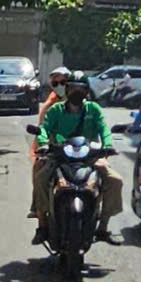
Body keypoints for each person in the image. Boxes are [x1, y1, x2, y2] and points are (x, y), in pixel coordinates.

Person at [31, 71, 123, 241]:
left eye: (80, 89)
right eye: (73, 88)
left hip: (90, 157)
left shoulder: (93, 109)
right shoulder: (56, 110)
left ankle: (103, 227)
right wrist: (43, 143)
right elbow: (44, 128)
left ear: (86, 91)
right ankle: (42, 224)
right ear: (67, 90)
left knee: (115, 180)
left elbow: (104, 128)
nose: (76, 92)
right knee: (41, 178)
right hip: (60, 156)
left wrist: (108, 145)